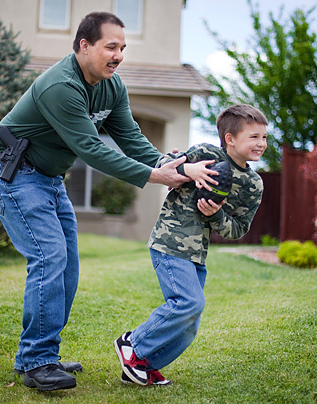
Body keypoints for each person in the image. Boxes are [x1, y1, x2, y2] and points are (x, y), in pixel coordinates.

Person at [0, 12, 216, 391]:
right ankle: (38, 361)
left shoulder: (112, 86)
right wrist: (157, 177)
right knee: (49, 257)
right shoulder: (60, 85)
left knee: (68, 265)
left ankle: (38, 354)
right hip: (14, 172)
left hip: (47, 177)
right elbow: (91, 149)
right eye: (111, 46)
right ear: (84, 46)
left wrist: (165, 163)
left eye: (122, 47)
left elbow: (130, 137)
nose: (118, 55)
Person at [114, 104, 268, 386]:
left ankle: (142, 365)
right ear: (230, 139)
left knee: (189, 321)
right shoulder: (205, 154)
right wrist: (189, 169)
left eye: (264, 137)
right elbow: (163, 165)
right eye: (254, 137)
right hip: (169, 242)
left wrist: (217, 215)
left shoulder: (254, 184)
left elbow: (239, 229)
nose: (261, 143)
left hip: (197, 253)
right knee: (189, 303)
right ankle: (132, 344)